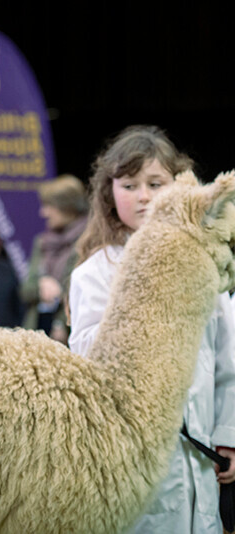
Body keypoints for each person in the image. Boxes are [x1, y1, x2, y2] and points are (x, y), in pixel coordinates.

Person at [68, 125, 235, 533]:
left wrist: (228, 432)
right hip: (132, 452)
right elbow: (85, 359)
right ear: (109, 193)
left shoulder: (205, 266)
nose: (144, 195)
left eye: (155, 183)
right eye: (130, 184)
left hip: (200, 450)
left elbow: (228, 358)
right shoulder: (95, 273)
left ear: (178, 187)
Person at [20, 174, 88, 343]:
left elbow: (86, 293)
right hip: (35, 333)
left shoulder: (90, 241)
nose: (43, 212)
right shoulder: (42, 242)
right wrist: (40, 287)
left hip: (69, 337)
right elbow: (25, 290)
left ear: (67, 206)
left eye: (49, 206)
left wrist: (62, 324)